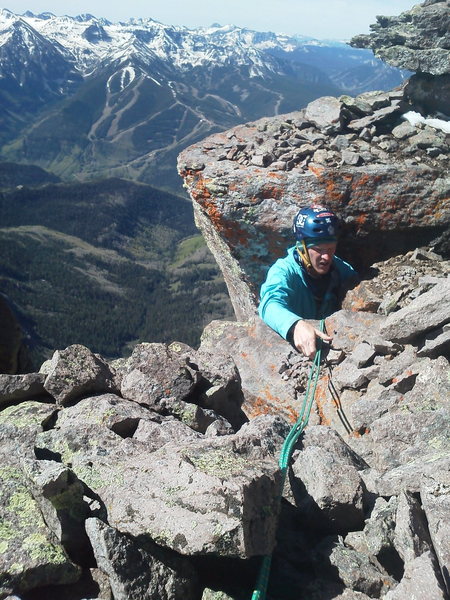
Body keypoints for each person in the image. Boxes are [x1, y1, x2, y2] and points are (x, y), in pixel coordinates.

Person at [258, 205, 357, 359]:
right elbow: (269, 304)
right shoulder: (284, 271)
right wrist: (295, 325)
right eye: (319, 249)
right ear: (302, 247)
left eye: (331, 249)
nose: (326, 257)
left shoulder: (341, 270)